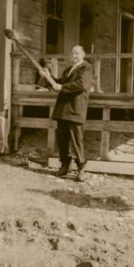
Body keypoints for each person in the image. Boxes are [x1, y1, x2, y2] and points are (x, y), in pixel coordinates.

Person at [39, 45, 93, 182]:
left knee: (76, 141)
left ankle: (81, 168)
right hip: (63, 108)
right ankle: (65, 164)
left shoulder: (86, 68)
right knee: (62, 139)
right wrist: (47, 76)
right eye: (72, 53)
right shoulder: (69, 70)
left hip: (76, 108)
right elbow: (57, 83)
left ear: (83, 54)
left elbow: (81, 84)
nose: (74, 56)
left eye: (77, 53)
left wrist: (62, 87)